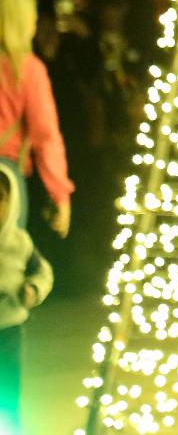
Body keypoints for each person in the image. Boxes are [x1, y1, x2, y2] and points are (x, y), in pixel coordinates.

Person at [0, 0, 73, 241]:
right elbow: (46, 136)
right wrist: (60, 194)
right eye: (31, 18)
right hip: (4, 182)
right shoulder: (28, 70)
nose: (35, 25)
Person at [0, 162, 52, 435]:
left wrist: (33, 289)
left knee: (7, 391)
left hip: (9, 330)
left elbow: (43, 271)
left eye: (0, 199)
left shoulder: (20, 243)